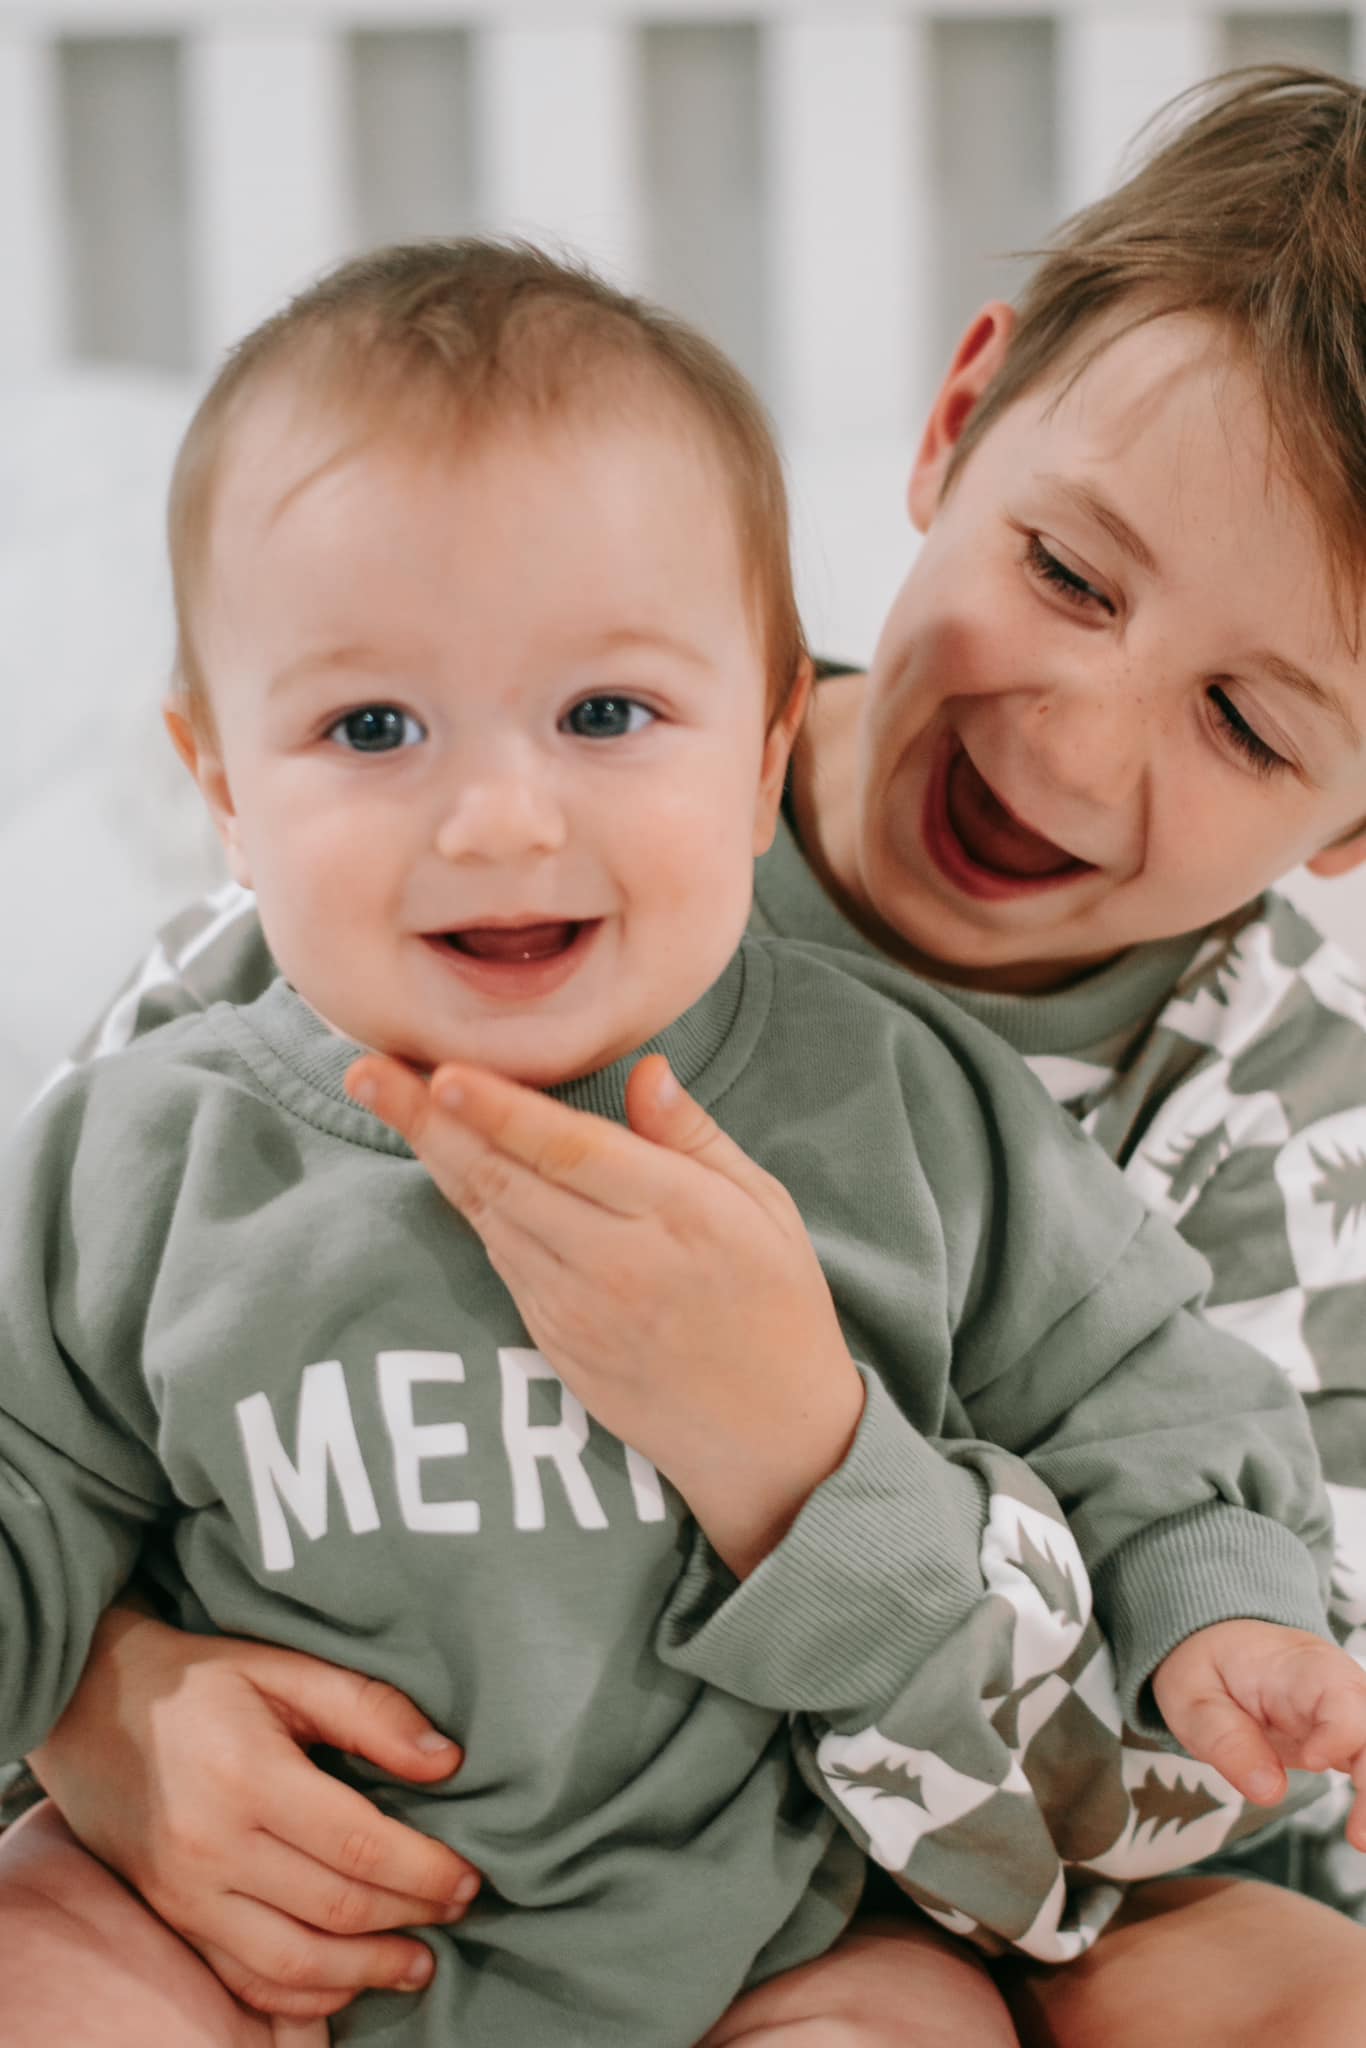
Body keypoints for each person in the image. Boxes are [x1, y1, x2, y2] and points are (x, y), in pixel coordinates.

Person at [6, 57, 1366, 2048]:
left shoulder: (1236, 1138)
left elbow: (1145, 1806)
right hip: (332, 1854)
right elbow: (50, 1407)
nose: (1072, 747)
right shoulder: (324, 952)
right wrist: (106, 1705)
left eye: (1245, 723)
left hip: (886, 1889)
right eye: (1065, 574)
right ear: (956, 418)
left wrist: (796, 1453)